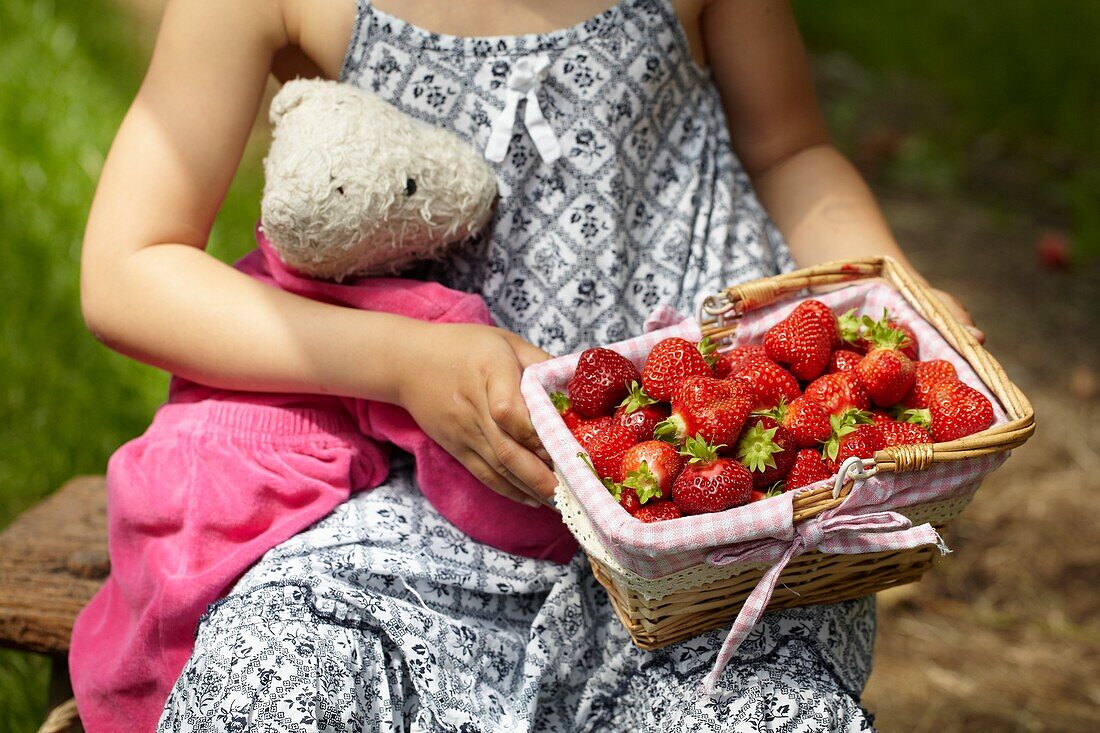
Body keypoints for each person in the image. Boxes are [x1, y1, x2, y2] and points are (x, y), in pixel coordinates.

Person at [75, 0, 982, 731]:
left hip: (713, 528)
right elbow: (129, 266)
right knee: (271, 681)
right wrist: (404, 361)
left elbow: (791, 150)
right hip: (413, 507)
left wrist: (903, 313)